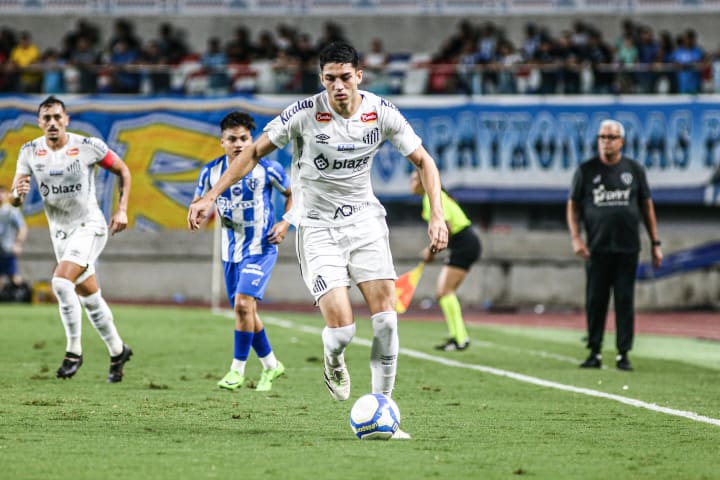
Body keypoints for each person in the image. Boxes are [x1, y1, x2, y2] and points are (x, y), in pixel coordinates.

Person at [188, 41, 448, 439]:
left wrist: (438, 216)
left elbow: (424, 161)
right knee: (343, 331)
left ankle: (384, 414)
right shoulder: (304, 114)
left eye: (346, 77)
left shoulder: (381, 113)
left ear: (360, 76)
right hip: (318, 228)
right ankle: (333, 358)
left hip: (365, 223)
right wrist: (211, 196)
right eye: (330, 79)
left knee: (387, 323)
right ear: (321, 79)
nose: (338, 86)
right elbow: (253, 152)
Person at [11, 95, 133, 383]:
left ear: (66, 120)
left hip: (90, 226)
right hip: (60, 234)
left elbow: (123, 170)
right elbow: (16, 198)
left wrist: (122, 209)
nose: (52, 123)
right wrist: (18, 194)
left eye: (57, 117)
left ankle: (73, 352)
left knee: (60, 282)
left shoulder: (87, 146)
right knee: (89, 297)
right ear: (39, 123)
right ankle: (118, 350)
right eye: (46, 118)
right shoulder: (29, 151)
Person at [193, 111, 291, 392]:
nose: (238, 144)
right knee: (247, 311)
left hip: (262, 247)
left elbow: (292, 194)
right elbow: (199, 202)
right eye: (232, 139)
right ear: (222, 142)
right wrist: (197, 212)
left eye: (244, 139)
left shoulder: (268, 169)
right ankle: (272, 365)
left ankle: (237, 370)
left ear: (253, 140)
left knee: (243, 304)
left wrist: (285, 222)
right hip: (230, 252)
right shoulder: (210, 172)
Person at [566, 119, 663, 371]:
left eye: (611, 137)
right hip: (596, 248)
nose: (606, 141)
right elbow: (573, 205)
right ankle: (595, 351)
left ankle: (623, 353)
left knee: (624, 300)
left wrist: (655, 242)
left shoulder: (634, 169)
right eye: (602, 137)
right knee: (595, 301)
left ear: (621, 141)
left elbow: (646, 205)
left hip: (627, 247)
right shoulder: (586, 170)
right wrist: (576, 237)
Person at [409, 171, 481, 351]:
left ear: (424, 182)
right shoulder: (434, 197)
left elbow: (445, 229)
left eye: (414, 179)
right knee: (444, 292)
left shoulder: (432, 198)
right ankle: (457, 337)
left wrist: (431, 252)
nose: (411, 182)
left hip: (465, 244)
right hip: (465, 243)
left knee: (444, 291)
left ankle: (460, 338)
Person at [0, 184, 28, 293]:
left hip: (8, 249)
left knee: (14, 277)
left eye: (2, 193)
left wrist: (18, 244)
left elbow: (22, 228)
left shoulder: (11, 211)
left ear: (7, 195)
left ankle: (24, 295)